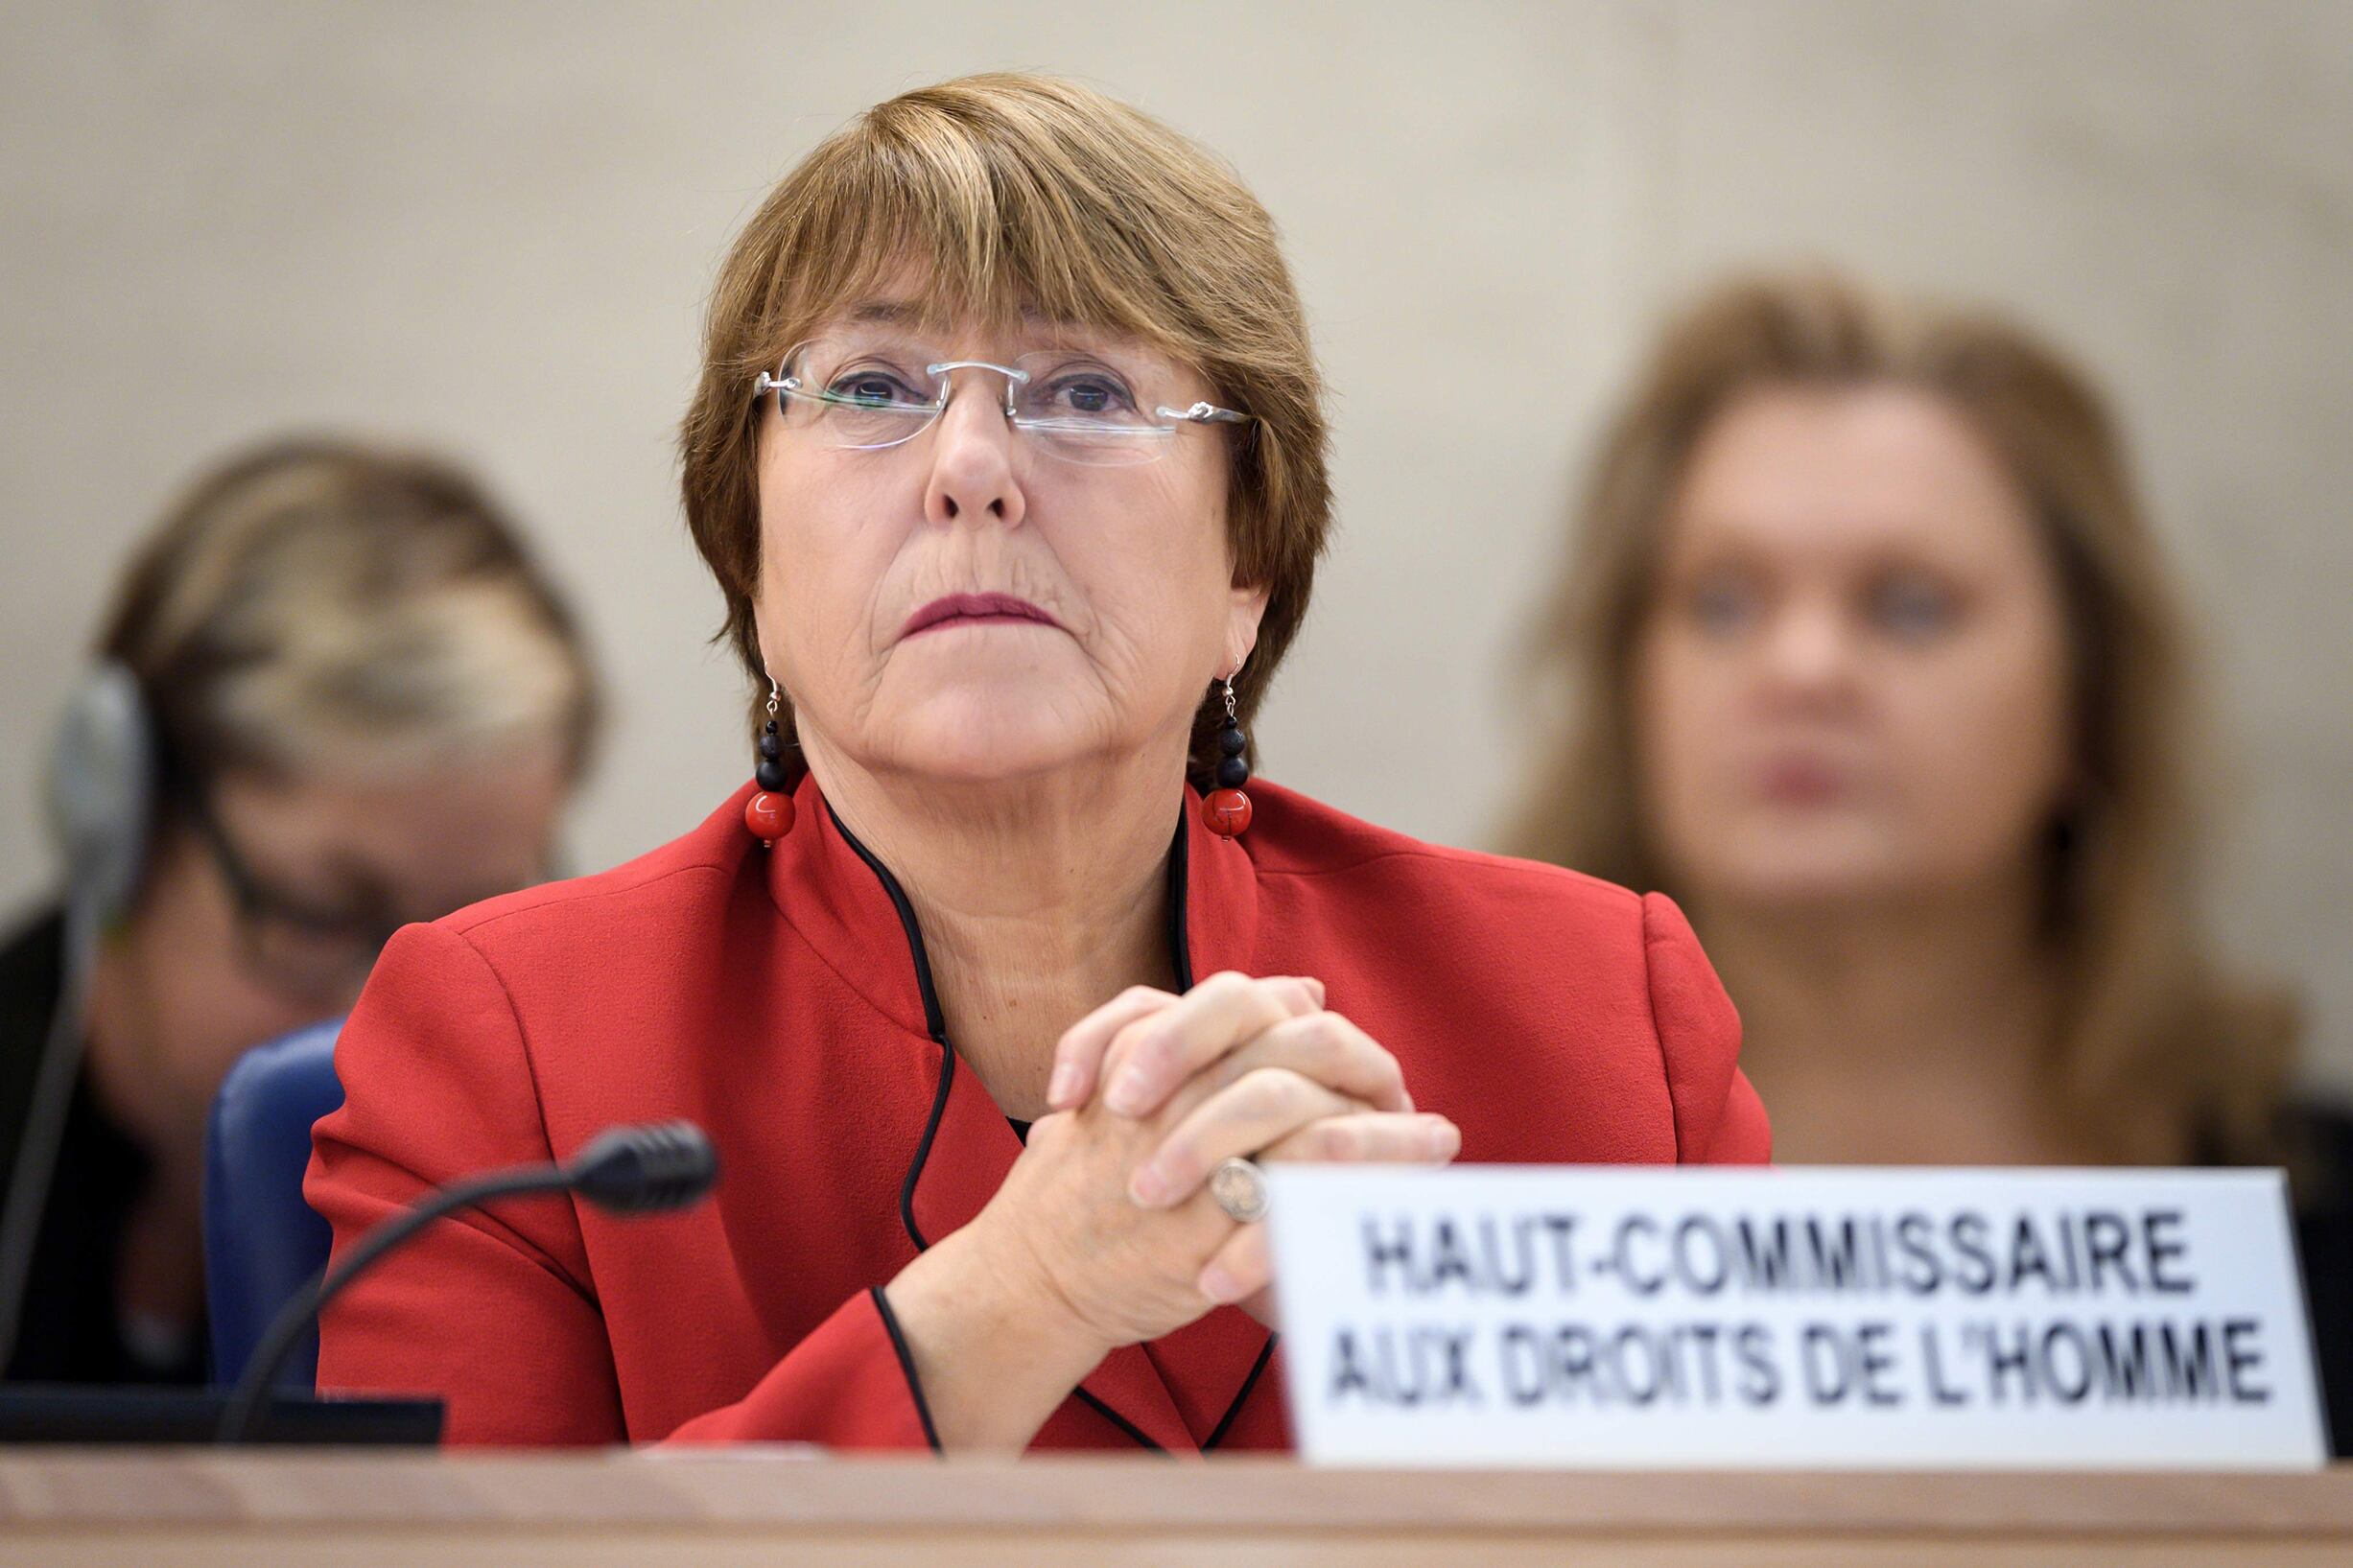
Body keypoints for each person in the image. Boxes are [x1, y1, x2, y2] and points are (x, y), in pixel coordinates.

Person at [304, 74, 1770, 1456]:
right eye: (870, 388)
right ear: (749, 559)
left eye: (1083, 392)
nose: (970, 466)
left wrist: (1447, 1358)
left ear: (1245, 564)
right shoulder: (508, 1053)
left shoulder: (1600, 1022)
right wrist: (1022, 1293)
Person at [1500, 267, 2348, 1440]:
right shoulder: (1457, 1173)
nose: (1800, 669)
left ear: (2087, 697)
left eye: (1908, 605)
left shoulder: (2310, 1219)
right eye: (1722, 602)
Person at [0, 437, 599, 1385]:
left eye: (467, 930)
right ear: (126, 818)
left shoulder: (536, 1213)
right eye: (321, 912)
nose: (381, 1018)